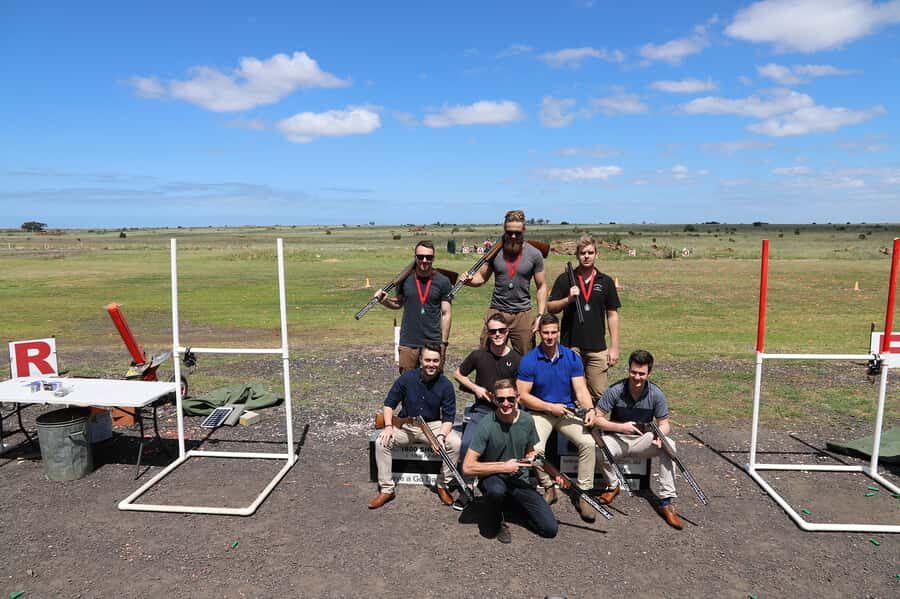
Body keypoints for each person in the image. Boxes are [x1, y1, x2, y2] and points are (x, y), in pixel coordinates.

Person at [585, 349, 684, 529]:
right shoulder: (615, 390)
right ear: (628, 369)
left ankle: (666, 501)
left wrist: (662, 434)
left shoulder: (656, 394)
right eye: (633, 372)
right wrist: (620, 427)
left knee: (670, 445)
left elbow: (665, 423)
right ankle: (612, 485)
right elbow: (597, 418)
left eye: (641, 374)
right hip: (617, 438)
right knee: (597, 447)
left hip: (642, 441)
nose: (637, 377)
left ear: (649, 373)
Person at [516, 313, 598, 522]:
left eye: (553, 332)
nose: (550, 337)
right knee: (536, 450)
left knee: (588, 443)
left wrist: (589, 409)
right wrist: (550, 407)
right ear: (539, 333)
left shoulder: (571, 357)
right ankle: (549, 486)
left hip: (567, 411)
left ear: (558, 332)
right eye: (546, 333)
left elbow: (580, 390)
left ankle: (584, 494)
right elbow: (523, 396)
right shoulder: (529, 360)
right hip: (540, 412)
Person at [462, 379, 558, 543]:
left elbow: (531, 452)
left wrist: (554, 474)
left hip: (518, 479)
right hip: (493, 478)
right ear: (494, 400)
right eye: (501, 399)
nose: (506, 403)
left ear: (518, 398)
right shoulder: (486, 424)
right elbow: (467, 468)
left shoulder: (527, 420)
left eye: (510, 399)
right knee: (493, 513)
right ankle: (497, 520)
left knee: (549, 529)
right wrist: (503, 467)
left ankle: (513, 509)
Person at [369, 345, 462, 509]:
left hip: (433, 425)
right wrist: (389, 426)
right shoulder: (406, 378)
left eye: (435, 361)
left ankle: (442, 485)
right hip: (408, 425)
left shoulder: (446, 385)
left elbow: (448, 418)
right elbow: (389, 405)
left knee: (455, 443)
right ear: (420, 360)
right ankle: (387, 489)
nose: (431, 364)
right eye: (427, 360)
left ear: (440, 362)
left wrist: (440, 437)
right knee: (381, 442)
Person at [453, 314, 522, 500]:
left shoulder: (516, 359)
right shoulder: (479, 355)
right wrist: (475, 388)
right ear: (488, 332)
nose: (497, 334)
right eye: (493, 331)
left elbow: (520, 392)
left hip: (506, 412)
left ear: (507, 331)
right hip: (482, 410)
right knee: (467, 444)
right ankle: (467, 486)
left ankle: (515, 487)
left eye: (501, 330)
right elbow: (458, 374)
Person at [462, 210, 547, 356]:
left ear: (524, 230)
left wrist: (539, 315)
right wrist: (469, 281)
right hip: (497, 310)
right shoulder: (494, 252)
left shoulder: (535, 254)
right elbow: (482, 277)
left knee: (526, 359)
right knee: (486, 356)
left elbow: (542, 286)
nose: (513, 236)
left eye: (518, 233)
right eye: (509, 232)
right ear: (504, 229)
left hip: (522, 313)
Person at [547, 234, 621, 398]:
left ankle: (594, 424)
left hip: (597, 347)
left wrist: (614, 347)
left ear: (596, 254)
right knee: (571, 391)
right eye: (582, 253)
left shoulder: (606, 281)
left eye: (590, 252)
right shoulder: (565, 279)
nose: (586, 256)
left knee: (598, 393)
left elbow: (612, 315)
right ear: (577, 255)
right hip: (571, 346)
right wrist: (568, 299)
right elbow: (550, 307)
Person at [375, 240, 452, 373]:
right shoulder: (403, 279)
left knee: (433, 383)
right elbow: (398, 303)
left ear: (433, 258)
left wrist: (443, 343)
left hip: (433, 341)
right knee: (407, 382)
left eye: (428, 257)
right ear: (415, 257)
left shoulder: (443, 281)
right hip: (408, 341)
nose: (424, 260)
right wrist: (384, 301)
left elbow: (446, 313)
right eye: (420, 256)